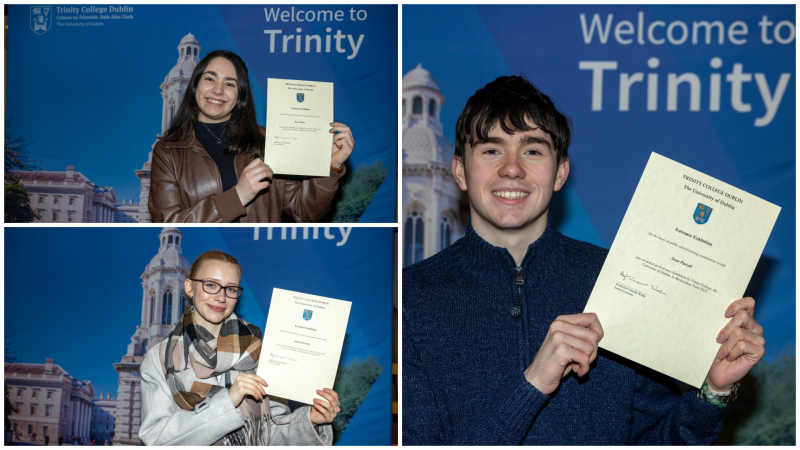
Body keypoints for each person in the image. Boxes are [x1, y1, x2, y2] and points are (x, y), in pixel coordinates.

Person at [402, 76, 766, 445]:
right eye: (491, 150)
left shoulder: (620, 280)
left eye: (532, 151)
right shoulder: (409, 298)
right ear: (460, 170)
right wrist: (534, 385)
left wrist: (712, 393)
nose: (512, 168)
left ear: (560, 173)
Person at [140, 250, 340, 445]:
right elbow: (157, 439)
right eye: (211, 285)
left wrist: (310, 420)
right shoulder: (159, 358)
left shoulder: (259, 349)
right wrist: (228, 402)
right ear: (190, 288)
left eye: (231, 289)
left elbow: (272, 435)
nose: (221, 297)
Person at [149, 50, 355, 223]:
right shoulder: (168, 150)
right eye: (210, 79)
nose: (218, 90)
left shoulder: (270, 141)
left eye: (230, 84)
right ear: (195, 86)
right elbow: (167, 221)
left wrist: (329, 167)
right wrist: (238, 196)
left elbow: (305, 212)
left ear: (241, 95)